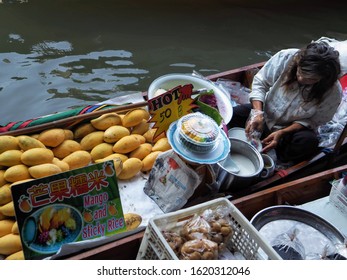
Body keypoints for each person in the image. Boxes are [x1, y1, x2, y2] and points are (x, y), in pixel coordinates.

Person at [228, 41, 342, 164]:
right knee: (233, 114)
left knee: (308, 142)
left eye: (311, 79)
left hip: (289, 128)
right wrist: (257, 113)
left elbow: (314, 121)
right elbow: (260, 83)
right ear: (298, 62)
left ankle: (276, 160)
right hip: (265, 111)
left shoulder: (333, 92)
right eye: (300, 73)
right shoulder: (286, 57)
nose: (301, 79)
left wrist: (282, 132)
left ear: (323, 78)